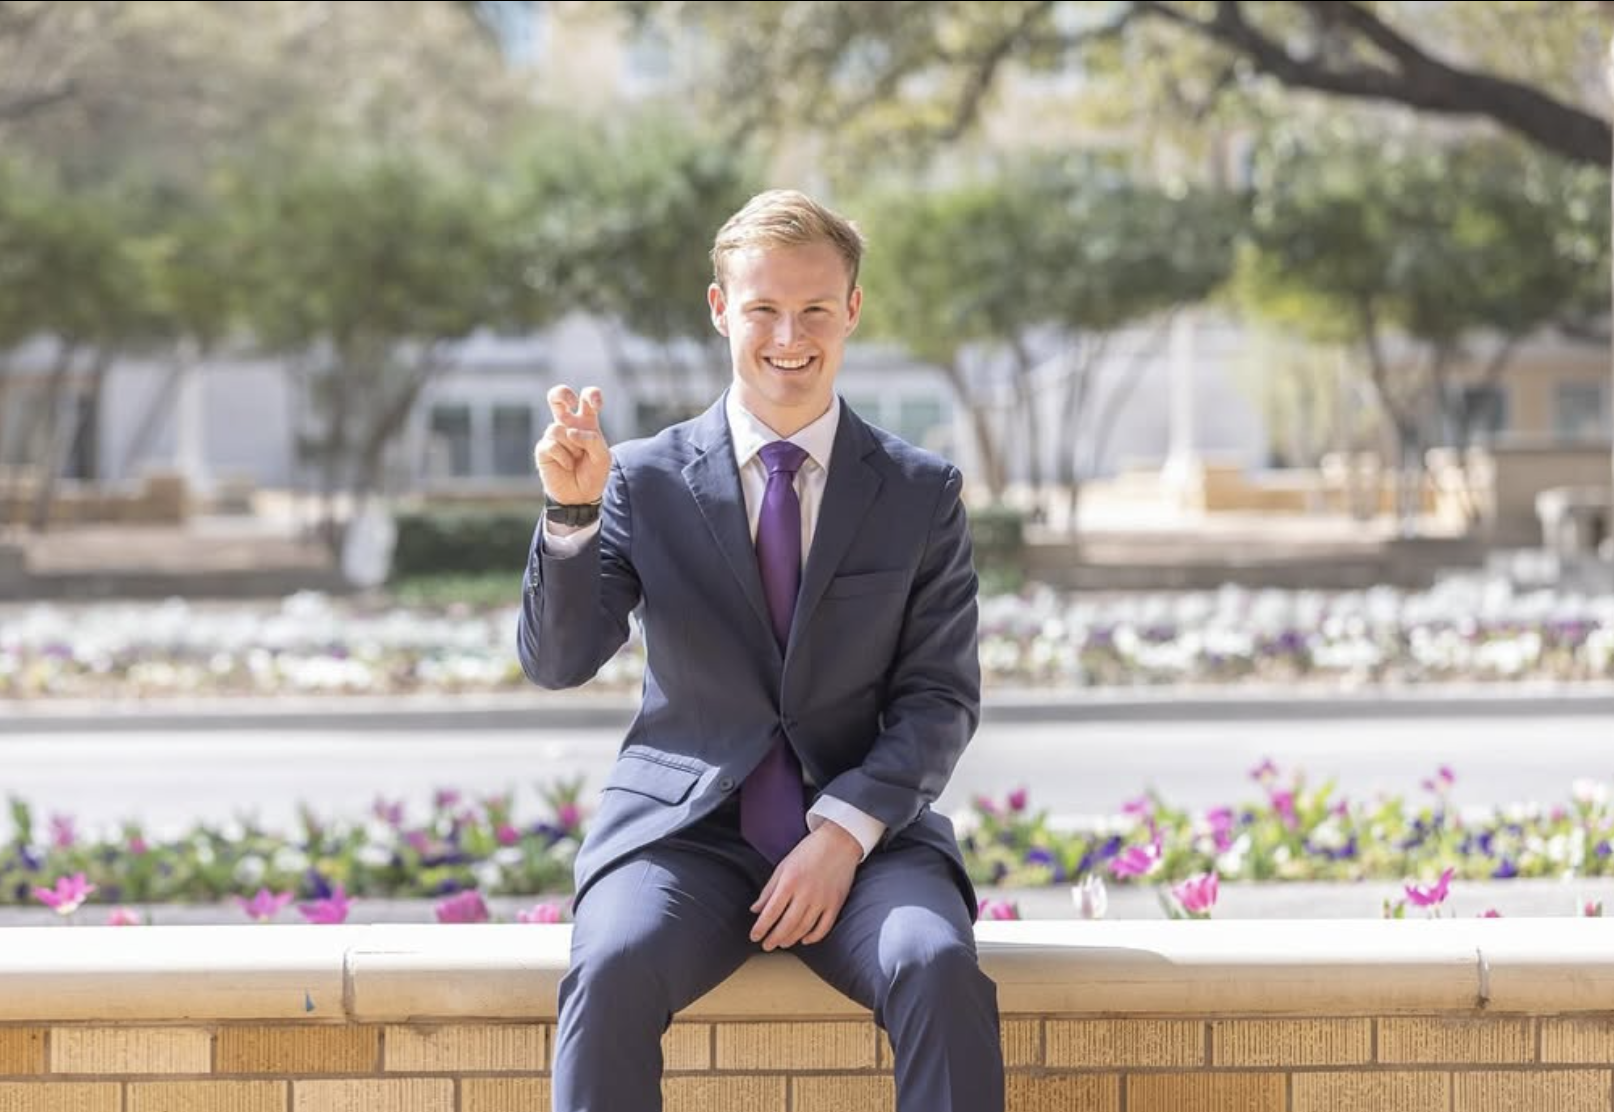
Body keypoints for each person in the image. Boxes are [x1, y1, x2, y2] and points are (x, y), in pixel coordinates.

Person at [518, 188, 1003, 1112]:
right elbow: (558, 660)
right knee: (610, 968)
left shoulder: (919, 491)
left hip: (866, 843)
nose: (791, 334)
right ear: (719, 310)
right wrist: (572, 514)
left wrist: (841, 832)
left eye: (816, 308)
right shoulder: (642, 479)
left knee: (936, 965)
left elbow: (940, 698)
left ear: (852, 310)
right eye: (763, 309)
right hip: (683, 838)